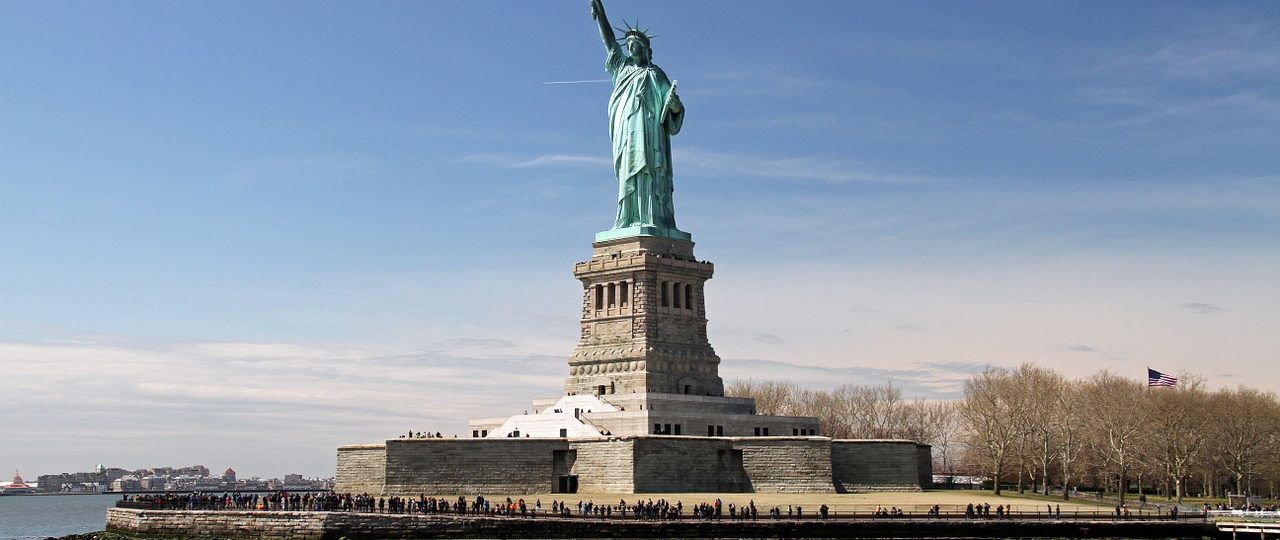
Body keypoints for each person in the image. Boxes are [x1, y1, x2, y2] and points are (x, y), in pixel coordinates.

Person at [588, 0, 684, 232]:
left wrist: (674, 104)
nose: (632, 49)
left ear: (646, 51)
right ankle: (628, 218)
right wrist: (601, 15)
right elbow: (609, 42)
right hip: (626, 131)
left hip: (650, 134)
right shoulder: (622, 69)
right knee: (628, 172)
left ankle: (652, 218)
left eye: (637, 46)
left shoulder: (655, 74)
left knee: (648, 171)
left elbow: (674, 109)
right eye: (629, 46)